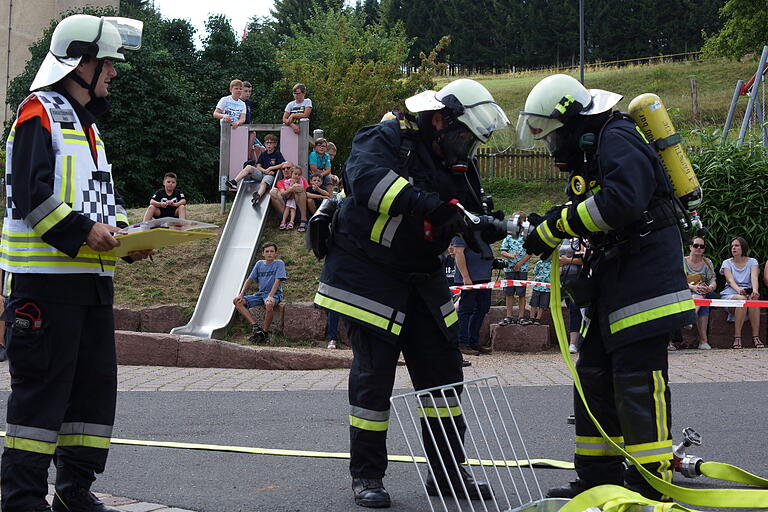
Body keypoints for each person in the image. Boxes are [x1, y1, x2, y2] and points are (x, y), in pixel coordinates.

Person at [313, 78, 509, 507]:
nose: (466, 147)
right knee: (373, 379)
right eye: (463, 135)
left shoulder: (455, 164)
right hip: (370, 275)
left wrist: (500, 227)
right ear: (439, 119)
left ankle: (447, 474)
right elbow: (367, 182)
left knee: (444, 376)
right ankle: (367, 476)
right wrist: (432, 206)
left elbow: (470, 214)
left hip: (422, 277)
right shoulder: (383, 139)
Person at [518, 74, 696, 501]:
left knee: (636, 383)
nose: (553, 147)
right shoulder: (592, 150)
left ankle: (650, 484)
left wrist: (558, 225)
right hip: (614, 280)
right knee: (594, 378)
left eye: (554, 135)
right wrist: (555, 220)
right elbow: (590, 206)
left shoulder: (617, 137)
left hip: (645, 284)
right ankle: (598, 478)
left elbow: (621, 202)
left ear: (574, 121)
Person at [0, 14, 151, 512]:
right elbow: (32, 197)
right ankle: (23, 500)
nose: (113, 72)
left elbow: (97, 201)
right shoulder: (37, 113)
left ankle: (74, 491)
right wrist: (86, 232)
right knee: (41, 398)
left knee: (91, 396)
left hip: (90, 286)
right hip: (44, 289)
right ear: (79, 63)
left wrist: (133, 236)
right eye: (106, 63)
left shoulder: (87, 126)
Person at [233, 242, 287, 343]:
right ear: (263, 253)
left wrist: (270, 296)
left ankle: (264, 333)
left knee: (269, 304)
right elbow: (249, 279)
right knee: (237, 302)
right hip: (261, 294)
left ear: (276, 253)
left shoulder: (279, 263)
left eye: (272, 251)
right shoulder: (259, 264)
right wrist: (241, 294)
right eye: (267, 251)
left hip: (275, 294)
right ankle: (255, 326)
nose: (269, 253)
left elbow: (278, 280)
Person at [719, 236, 763, 349]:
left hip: (747, 293)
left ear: (743, 247)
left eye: (736, 246)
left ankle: (756, 337)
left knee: (753, 300)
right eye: (732, 246)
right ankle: (737, 337)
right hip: (731, 293)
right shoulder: (726, 263)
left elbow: (754, 277)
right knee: (741, 300)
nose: (733, 248)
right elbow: (730, 280)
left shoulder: (753, 261)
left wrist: (755, 291)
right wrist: (739, 290)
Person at [452, 236, 493, 355]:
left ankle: (473, 341)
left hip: (484, 277)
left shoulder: (484, 231)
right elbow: (458, 252)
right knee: (466, 310)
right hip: (469, 279)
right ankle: (462, 343)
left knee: (483, 308)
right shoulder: (462, 232)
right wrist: (465, 276)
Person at [499, 211, 532, 326]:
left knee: (521, 293)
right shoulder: (508, 236)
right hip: (509, 269)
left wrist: (519, 264)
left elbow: (530, 253)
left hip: (522, 269)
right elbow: (503, 251)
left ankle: (521, 316)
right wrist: (510, 256)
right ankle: (509, 316)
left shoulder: (527, 236)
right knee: (509, 293)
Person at [683, 237, 717, 349]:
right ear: (690, 247)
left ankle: (690, 317)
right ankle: (703, 341)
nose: (698, 248)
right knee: (703, 303)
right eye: (696, 245)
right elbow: (678, 280)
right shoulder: (682, 261)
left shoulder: (707, 262)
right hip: (685, 290)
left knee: (702, 293)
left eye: (701, 246)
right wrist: (693, 287)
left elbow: (713, 281)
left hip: (703, 292)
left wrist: (710, 288)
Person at [559, 237, 584, 353]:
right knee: (571, 309)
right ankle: (576, 341)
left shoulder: (581, 240)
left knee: (575, 310)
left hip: (577, 278)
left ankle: (574, 343)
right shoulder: (564, 239)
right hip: (564, 279)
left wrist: (567, 261)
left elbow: (583, 259)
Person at [270, 165, 309, 232]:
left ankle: (303, 219)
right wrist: (291, 188)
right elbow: (283, 194)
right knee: (273, 191)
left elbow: (307, 193)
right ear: (292, 173)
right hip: (287, 204)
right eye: (283, 168)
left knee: (298, 187)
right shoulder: (281, 182)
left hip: (299, 205)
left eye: (288, 168)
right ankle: (286, 220)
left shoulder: (302, 180)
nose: (286, 170)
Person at [241, 81, 264, 161]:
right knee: (255, 146)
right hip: (242, 129)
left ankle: (257, 167)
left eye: (249, 91)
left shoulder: (248, 103)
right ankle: (247, 156)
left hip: (248, 129)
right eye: (246, 91)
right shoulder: (238, 102)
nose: (248, 93)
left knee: (262, 149)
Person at [528, 254, 552, 326]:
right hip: (537, 287)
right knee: (533, 303)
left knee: (542, 304)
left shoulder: (553, 264)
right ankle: (531, 317)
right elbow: (535, 272)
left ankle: (538, 318)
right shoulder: (539, 263)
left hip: (547, 288)